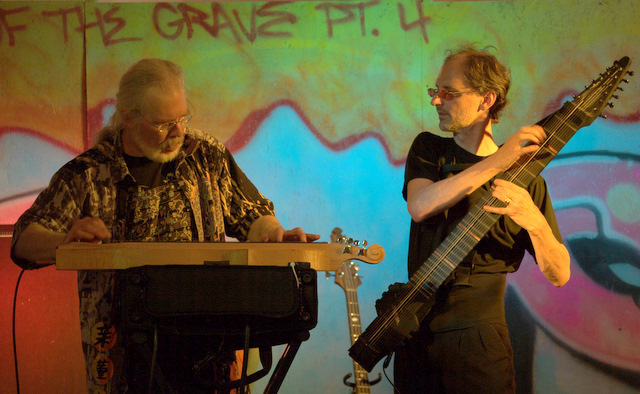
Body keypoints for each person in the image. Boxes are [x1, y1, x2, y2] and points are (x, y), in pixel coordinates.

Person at [10, 58, 320, 393]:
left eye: (182, 118)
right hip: (125, 355)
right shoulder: (90, 173)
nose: (177, 132)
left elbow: (251, 216)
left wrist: (275, 233)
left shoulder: (205, 155)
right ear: (128, 117)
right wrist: (62, 241)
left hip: (208, 345)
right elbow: (25, 239)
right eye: (162, 124)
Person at [393, 45, 571, 393]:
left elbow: (560, 273)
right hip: (414, 331)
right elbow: (420, 206)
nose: (436, 101)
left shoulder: (527, 181)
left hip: (479, 341)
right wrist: (499, 160)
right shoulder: (430, 149)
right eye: (435, 91)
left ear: (486, 99)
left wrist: (532, 220)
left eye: (448, 93)